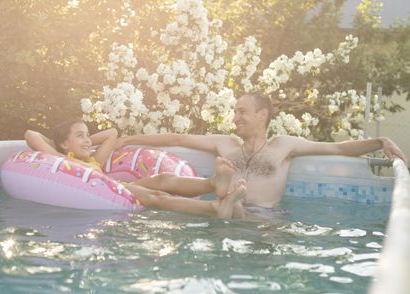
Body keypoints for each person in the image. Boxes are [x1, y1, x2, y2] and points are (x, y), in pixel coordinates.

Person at [117, 91, 408, 209]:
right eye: (234, 112)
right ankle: (227, 199)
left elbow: (338, 148)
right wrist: (129, 140)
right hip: (228, 219)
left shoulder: (284, 145)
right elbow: (175, 139)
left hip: (265, 223)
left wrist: (380, 142)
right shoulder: (225, 144)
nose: (235, 118)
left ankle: (227, 197)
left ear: (262, 115)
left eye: (242, 112)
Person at [24, 119, 246, 219]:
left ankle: (212, 183)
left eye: (87, 134)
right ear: (64, 143)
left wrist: (84, 141)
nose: (87, 140)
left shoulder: (94, 160)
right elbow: (30, 135)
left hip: (115, 186)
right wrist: (59, 148)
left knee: (164, 178)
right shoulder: (63, 161)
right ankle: (212, 208)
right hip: (109, 190)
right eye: (79, 135)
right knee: (158, 196)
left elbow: (111, 133)